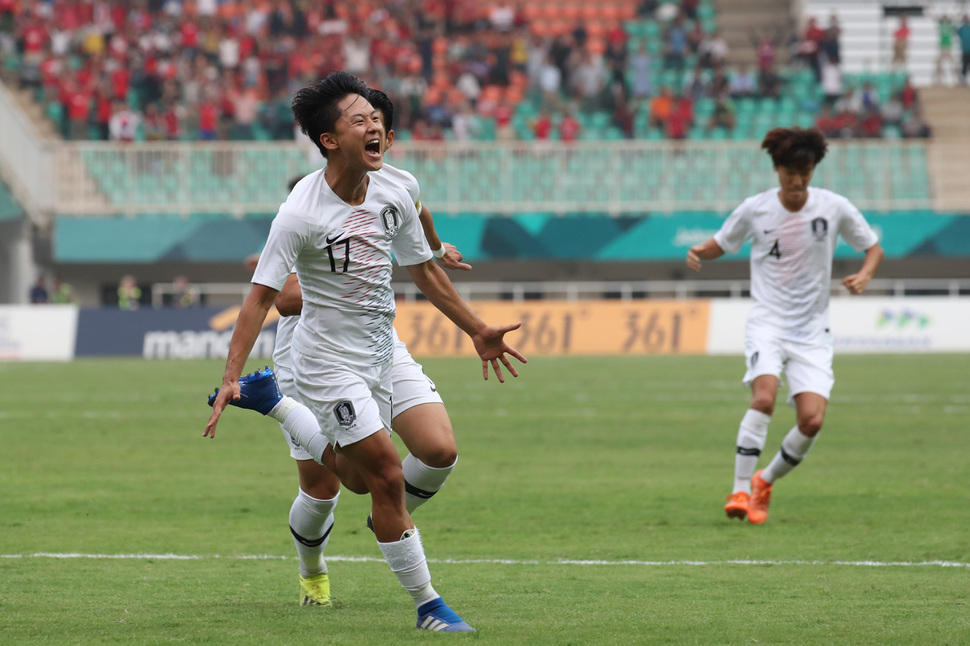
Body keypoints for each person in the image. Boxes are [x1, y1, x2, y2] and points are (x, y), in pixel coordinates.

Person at [204, 71, 526, 633]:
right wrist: (230, 374)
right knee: (352, 482)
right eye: (359, 119)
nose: (374, 125)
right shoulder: (301, 214)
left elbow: (421, 256)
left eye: (377, 118)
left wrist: (474, 326)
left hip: (383, 347)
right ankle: (427, 605)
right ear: (329, 140)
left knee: (438, 452)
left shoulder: (396, 187)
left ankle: (372, 498)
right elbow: (264, 301)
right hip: (322, 359)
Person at [686, 127, 884, 524]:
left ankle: (765, 480)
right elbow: (722, 243)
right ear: (777, 169)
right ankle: (739, 489)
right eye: (790, 171)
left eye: (805, 171)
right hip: (768, 324)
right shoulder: (756, 209)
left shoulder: (833, 207)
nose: (798, 179)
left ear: (813, 169)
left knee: (811, 420)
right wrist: (698, 252)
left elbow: (873, 247)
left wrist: (865, 275)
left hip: (812, 331)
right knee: (763, 399)